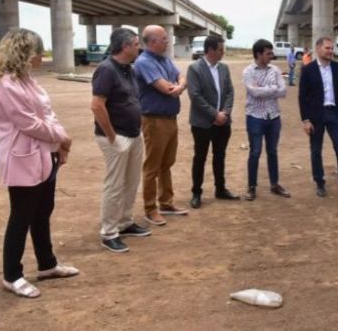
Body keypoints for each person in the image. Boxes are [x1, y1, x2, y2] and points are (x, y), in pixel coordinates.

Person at [0, 28, 78, 298]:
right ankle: (11, 275)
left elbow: (47, 114)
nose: (42, 57)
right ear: (24, 53)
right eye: (38, 52)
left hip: (44, 154)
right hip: (22, 159)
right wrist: (62, 137)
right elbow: (27, 122)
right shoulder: (4, 84)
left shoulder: (27, 80)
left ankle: (47, 264)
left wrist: (59, 143)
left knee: (42, 211)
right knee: (21, 216)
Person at [91, 28, 151, 254]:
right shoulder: (106, 70)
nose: (139, 47)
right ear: (125, 47)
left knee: (131, 181)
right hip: (116, 137)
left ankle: (125, 222)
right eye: (136, 44)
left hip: (134, 134)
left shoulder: (129, 69)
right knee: (115, 185)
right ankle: (109, 232)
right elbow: (97, 105)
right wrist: (112, 137)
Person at [134, 25, 189, 226]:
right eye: (164, 38)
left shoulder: (164, 59)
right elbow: (166, 88)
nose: (168, 41)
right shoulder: (144, 62)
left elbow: (181, 78)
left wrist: (180, 85)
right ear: (152, 42)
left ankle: (166, 202)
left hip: (169, 118)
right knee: (153, 166)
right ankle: (150, 208)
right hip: (154, 120)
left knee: (167, 163)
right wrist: (176, 86)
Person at [298, 36, 338, 200]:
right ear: (318, 49)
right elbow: (302, 97)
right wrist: (306, 120)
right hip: (315, 115)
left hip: (335, 113)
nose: (331, 51)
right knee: (316, 151)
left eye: (332, 48)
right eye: (327, 48)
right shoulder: (308, 69)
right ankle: (320, 183)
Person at [186, 35, 238, 209]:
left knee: (220, 156)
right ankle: (196, 193)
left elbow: (230, 92)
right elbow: (195, 95)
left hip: (223, 122)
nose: (223, 53)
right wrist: (214, 114)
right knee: (200, 157)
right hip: (202, 123)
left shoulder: (224, 68)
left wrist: (225, 112)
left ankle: (220, 189)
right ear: (210, 50)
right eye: (220, 50)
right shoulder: (195, 68)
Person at [243, 39, 289, 201]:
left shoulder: (276, 70)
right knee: (255, 152)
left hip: (273, 116)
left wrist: (264, 89)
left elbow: (283, 91)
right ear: (258, 54)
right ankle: (251, 187)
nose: (272, 56)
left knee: (272, 152)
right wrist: (273, 89)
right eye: (268, 53)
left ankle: (274, 184)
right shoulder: (248, 71)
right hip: (255, 117)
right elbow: (254, 93)